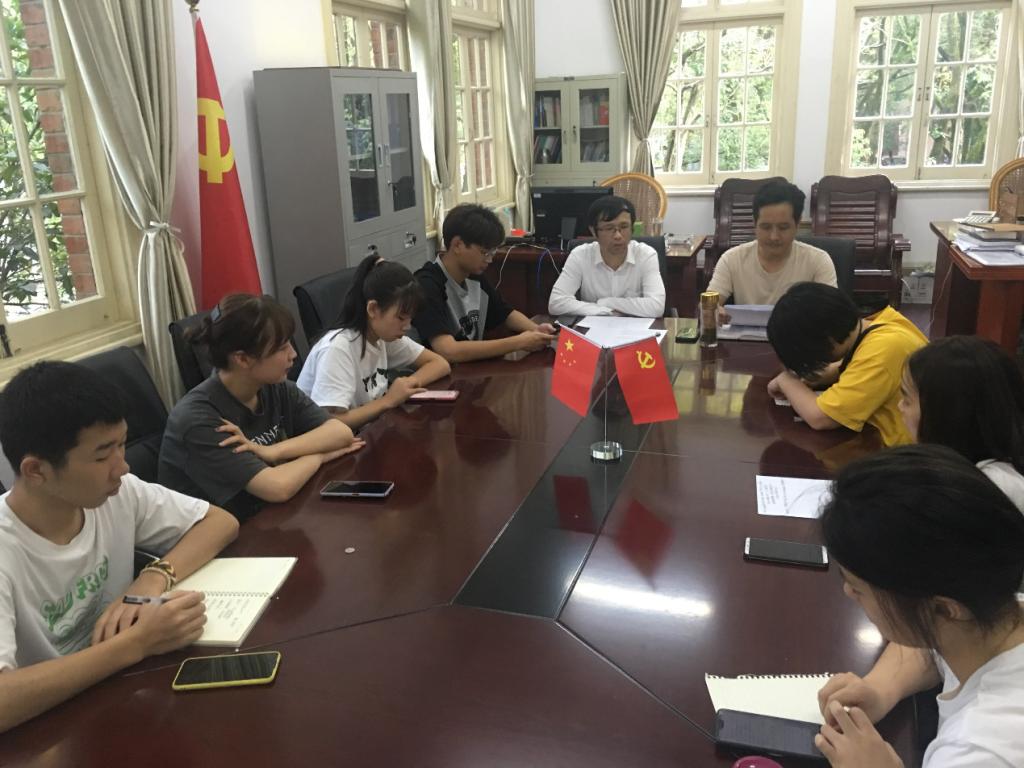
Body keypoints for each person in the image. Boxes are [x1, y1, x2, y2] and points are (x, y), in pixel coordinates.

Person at [0, 361, 239, 733]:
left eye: (122, 444)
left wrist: (152, 578)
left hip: (126, 693)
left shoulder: (115, 493)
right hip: (50, 728)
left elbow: (220, 522)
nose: (122, 467)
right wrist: (137, 643)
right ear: (36, 471)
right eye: (102, 455)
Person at [814, 445, 1024, 768]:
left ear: (944, 609)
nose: (848, 592)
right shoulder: (997, 616)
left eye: (858, 588)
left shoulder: (980, 751)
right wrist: (881, 688)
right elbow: (935, 646)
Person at [159, 294, 363, 521]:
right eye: (281, 348)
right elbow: (277, 487)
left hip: (269, 517)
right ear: (242, 359)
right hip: (220, 534)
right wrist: (319, 456)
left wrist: (273, 451)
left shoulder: (276, 387)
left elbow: (341, 433)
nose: (293, 354)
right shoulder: (198, 419)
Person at [297, 256, 451, 430]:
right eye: (401, 318)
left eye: (410, 318)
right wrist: (388, 400)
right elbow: (329, 422)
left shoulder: (383, 336)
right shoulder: (337, 348)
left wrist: (407, 385)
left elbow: (440, 364)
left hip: (370, 432)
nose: (407, 327)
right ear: (373, 309)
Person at [766, 282, 927, 447]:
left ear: (825, 339)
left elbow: (821, 418)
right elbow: (854, 366)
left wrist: (787, 381)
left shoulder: (883, 348)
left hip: (903, 452)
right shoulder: (878, 325)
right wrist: (817, 376)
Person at [412, 203, 557, 363]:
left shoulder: (473, 275)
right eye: (484, 252)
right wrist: (518, 342)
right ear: (458, 245)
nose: (489, 260)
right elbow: (448, 351)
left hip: (470, 371)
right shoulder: (426, 285)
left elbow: (505, 313)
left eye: (492, 252)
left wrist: (536, 330)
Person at [899, 335, 1024, 510]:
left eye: (907, 399)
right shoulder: (960, 474)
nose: (900, 406)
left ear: (947, 413)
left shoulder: (988, 489)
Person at [707, 180, 836, 323]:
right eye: (766, 227)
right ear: (754, 223)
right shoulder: (732, 259)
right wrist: (712, 310)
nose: (774, 237)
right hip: (745, 336)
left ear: (797, 224)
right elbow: (708, 304)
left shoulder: (818, 261)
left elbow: (832, 313)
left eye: (783, 228)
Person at [547, 195, 666, 317]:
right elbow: (556, 302)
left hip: (638, 328)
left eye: (624, 227)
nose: (618, 236)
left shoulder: (646, 255)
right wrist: (605, 311)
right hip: (593, 327)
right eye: (609, 228)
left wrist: (606, 302)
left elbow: (656, 306)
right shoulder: (580, 255)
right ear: (593, 231)